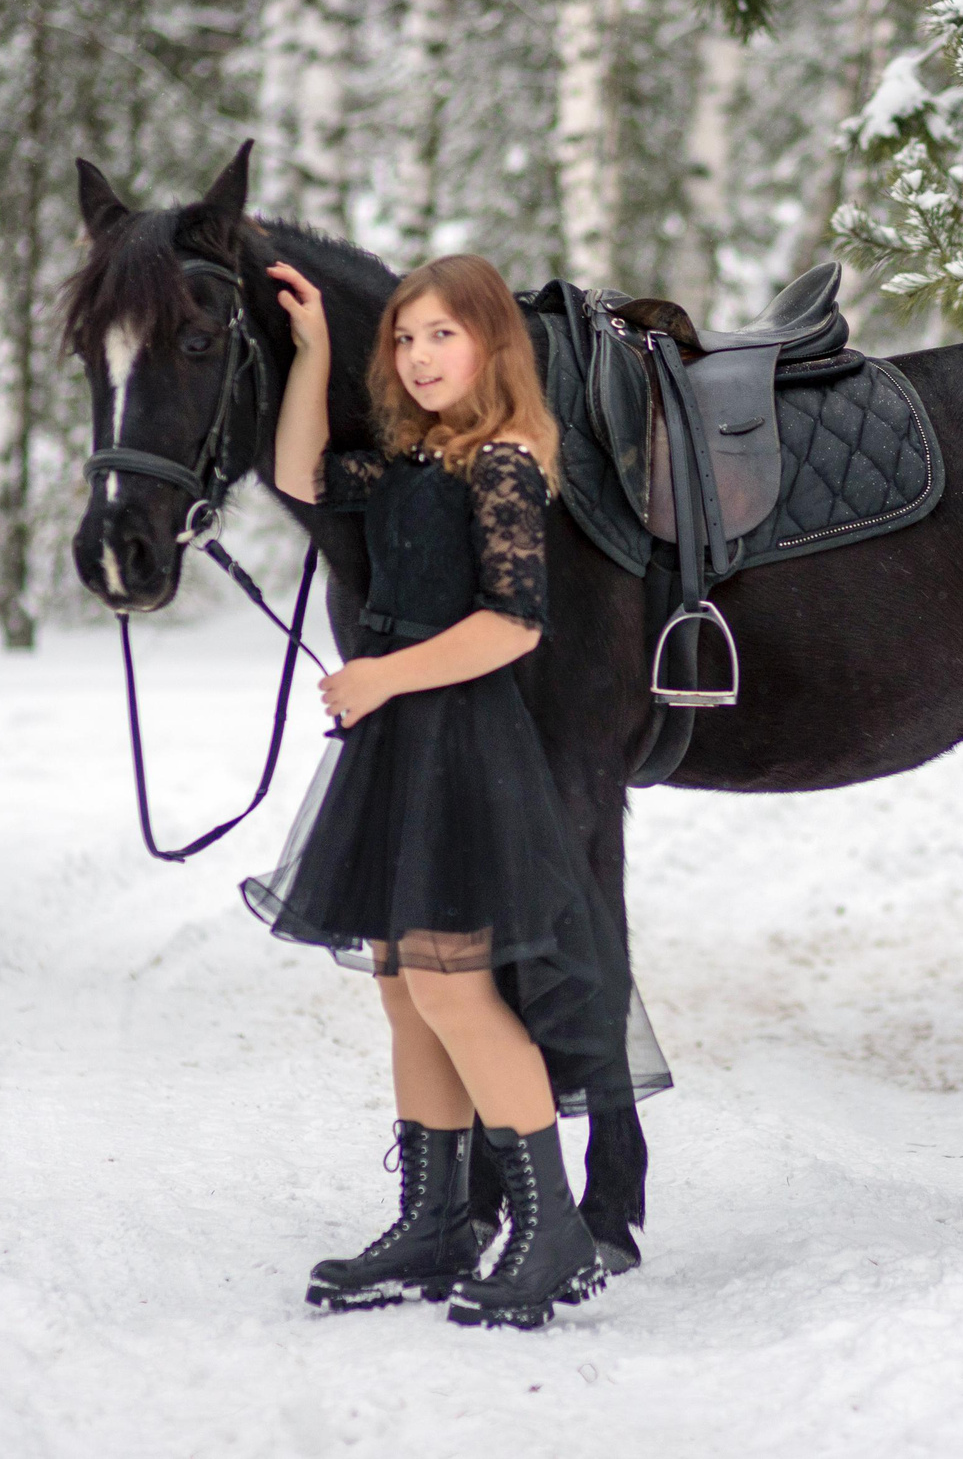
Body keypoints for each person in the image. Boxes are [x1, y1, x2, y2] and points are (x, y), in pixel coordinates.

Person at [241, 252, 670, 1331]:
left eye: (443, 334)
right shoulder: (410, 458)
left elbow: (514, 621)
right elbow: (297, 474)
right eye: (405, 337)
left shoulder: (506, 464)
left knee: (450, 985)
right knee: (401, 982)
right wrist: (315, 352)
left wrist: (382, 670)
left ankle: (551, 1225)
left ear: (491, 347)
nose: (421, 356)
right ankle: (434, 1217)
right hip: (398, 746)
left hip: (459, 741)